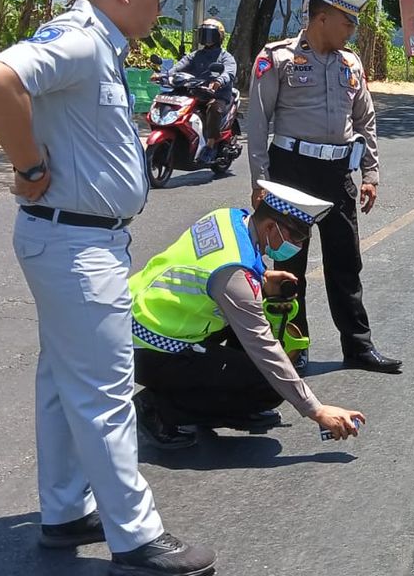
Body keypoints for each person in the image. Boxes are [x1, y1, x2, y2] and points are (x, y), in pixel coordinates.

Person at [0, 0, 216, 576]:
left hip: (77, 237)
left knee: (62, 381)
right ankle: (136, 535)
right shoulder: (83, 40)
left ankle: (63, 511)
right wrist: (27, 165)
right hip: (75, 243)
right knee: (107, 392)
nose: (162, 8)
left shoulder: (103, 50)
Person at [129, 180, 365, 449]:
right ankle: (157, 409)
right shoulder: (235, 274)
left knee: (251, 338)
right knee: (266, 384)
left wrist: (263, 279)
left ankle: (220, 401)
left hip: (136, 316)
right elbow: (264, 349)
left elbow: (211, 267)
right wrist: (316, 410)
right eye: (296, 237)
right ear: (269, 227)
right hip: (150, 348)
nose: (298, 246)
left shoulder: (228, 217)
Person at [247, 0, 401, 374]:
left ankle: (359, 347)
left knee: (345, 261)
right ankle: (291, 349)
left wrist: (370, 173)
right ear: (321, 19)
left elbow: (365, 121)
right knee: (289, 264)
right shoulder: (277, 58)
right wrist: (260, 183)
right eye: (346, 23)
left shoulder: (350, 63)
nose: (352, 31)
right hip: (290, 171)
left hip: (338, 173)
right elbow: (258, 122)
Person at [156, 18, 236, 163]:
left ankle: (210, 145)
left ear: (219, 37)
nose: (206, 37)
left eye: (210, 34)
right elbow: (179, 66)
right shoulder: (195, 55)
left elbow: (229, 73)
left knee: (214, 108)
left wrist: (218, 81)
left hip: (216, 95)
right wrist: (164, 75)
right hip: (196, 93)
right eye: (204, 33)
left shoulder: (226, 57)